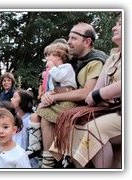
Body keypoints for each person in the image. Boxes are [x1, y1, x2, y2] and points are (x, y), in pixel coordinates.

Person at [49, 14, 122, 168]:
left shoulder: (98, 59)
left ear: (87, 41)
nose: (114, 28)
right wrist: (97, 95)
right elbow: (92, 94)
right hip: (112, 110)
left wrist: (99, 95)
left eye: (121, 24)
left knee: (93, 128)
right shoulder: (112, 59)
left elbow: (94, 92)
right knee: (73, 123)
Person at [39, 23, 108, 168]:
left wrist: (54, 97)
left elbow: (86, 92)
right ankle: (51, 160)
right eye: (69, 37)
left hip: (95, 109)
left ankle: (56, 162)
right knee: (43, 114)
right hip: (77, 105)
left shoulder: (96, 61)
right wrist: (48, 95)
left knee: (48, 115)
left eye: (74, 38)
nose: (69, 41)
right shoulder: (74, 61)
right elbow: (63, 86)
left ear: (87, 41)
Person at [26, 41, 77, 158]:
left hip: (66, 101)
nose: (47, 58)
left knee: (52, 120)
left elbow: (60, 77)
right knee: (34, 117)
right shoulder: (52, 71)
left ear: (59, 56)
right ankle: (35, 146)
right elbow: (51, 88)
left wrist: (52, 68)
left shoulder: (66, 67)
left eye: (49, 55)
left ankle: (60, 154)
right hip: (55, 100)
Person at [11, 89, 39, 168]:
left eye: (14, 97)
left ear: (23, 101)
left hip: (27, 160)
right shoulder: (14, 117)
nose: (11, 99)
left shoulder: (31, 119)